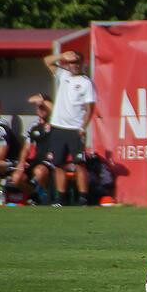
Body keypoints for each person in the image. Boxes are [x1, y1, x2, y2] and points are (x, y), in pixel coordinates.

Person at [43, 50, 96, 206]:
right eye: (72, 62)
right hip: (58, 127)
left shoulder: (86, 82)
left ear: (82, 64)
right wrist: (61, 56)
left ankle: (83, 198)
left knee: (79, 164)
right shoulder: (63, 75)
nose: (74, 65)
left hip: (74, 128)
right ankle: (61, 198)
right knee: (58, 164)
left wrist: (83, 127)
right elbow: (47, 60)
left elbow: (90, 108)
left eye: (77, 62)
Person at [11, 94, 54, 205]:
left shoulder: (56, 123)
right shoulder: (33, 126)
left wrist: (44, 102)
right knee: (16, 177)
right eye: (39, 107)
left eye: (43, 107)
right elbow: (26, 147)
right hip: (37, 161)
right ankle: (34, 195)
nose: (41, 110)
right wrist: (21, 163)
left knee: (39, 171)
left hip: (51, 162)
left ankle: (48, 196)